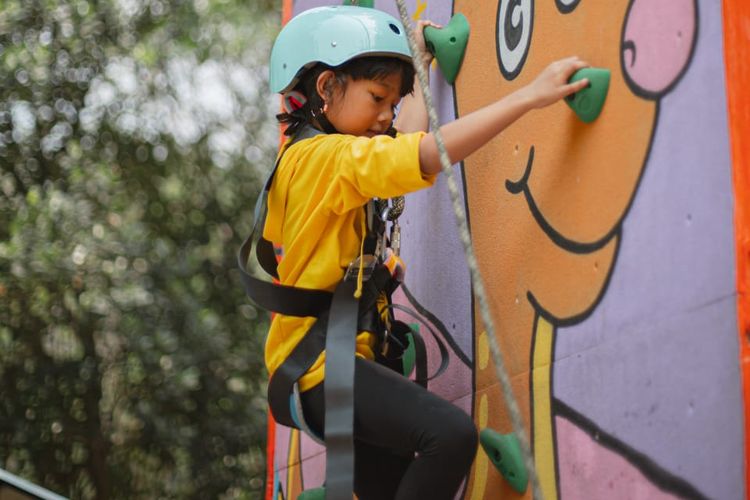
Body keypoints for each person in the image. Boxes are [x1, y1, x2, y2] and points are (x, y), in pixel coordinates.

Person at [255, 5, 590, 499]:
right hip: (324, 370)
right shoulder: (322, 159)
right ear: (326, 89)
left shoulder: (318, 159)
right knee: (449, 437)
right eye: (376, 97)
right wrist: (529, 96)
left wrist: (422, 62)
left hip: (338, 369)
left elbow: (404, 139)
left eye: (393, 101)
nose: (387, 114)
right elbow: (426, 151)